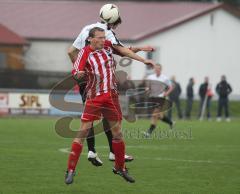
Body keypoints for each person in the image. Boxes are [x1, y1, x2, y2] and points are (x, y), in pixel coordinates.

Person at [65, 27, 156, 184]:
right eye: (99, 38)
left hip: (112, 97)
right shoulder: (84, 52)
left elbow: (125, 50)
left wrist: (142, 53)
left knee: (117, 133)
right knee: (82, 133)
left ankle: (120, 168)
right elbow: (76, 70)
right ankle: (71, 170)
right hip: (94, 98)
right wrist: (77, 74)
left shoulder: (107, 45)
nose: (102, 40)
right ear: (90, 39)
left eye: (103, 37)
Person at [143, 64, 174, 137]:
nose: (157, 70)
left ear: (161, 69)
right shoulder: (151, 77)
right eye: (156, 69)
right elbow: (148, 86)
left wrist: (166, 93)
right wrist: (147, 88)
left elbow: (171, 87)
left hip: (161, 98)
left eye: (158, 69)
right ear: (154, 69)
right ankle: (171, 122)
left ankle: (149, 132)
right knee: (159, 115)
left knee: (155, 114)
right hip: (153, 97)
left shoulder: (165, 78)